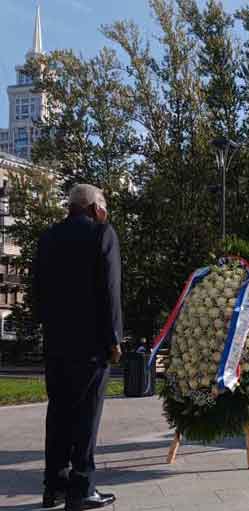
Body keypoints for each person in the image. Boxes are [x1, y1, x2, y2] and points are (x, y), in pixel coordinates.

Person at [34, 184, 123, 510]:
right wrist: (114, 338)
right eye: (104, 205)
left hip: (56, 343)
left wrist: (50, 327)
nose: (106, 211)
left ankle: (53, 487)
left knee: (57, 414)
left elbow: (38, 292)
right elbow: (110, 290)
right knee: (86, 416)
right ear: (92, 207)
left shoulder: (48, 238)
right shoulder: (102, 234)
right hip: (91, 345)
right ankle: (82, 487)